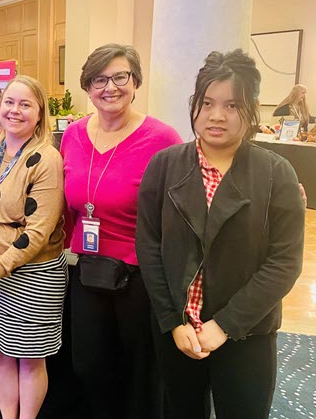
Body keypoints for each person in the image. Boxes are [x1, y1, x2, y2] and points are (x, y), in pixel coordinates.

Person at [136, 49, 305, 419]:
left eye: (232, 105)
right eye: (207, 102)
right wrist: (173, 321)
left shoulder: (276, 173)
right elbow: (149, 247)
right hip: (177, 333)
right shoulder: (164, 165)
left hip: (246, 333)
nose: (216, 116)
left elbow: (284, 262)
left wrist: (225, 325)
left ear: (251, 109)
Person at [60, 44, 181, 419]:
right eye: (99, 79)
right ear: (87, 86)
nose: (109, 87)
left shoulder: (162, 139)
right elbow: (62, 204)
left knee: (140, 370)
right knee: (90, 365)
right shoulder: (73, 134)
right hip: (86, 269)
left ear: (135, 81)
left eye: (119, 77)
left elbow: (181, 209)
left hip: (140, 274)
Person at [0, 75, 67, 419]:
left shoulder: (47, 159)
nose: (15, 111)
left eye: (25, 104)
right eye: (9, 102)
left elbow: (37, 232)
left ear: (39, 114)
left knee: (31, 358)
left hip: (34, 272)